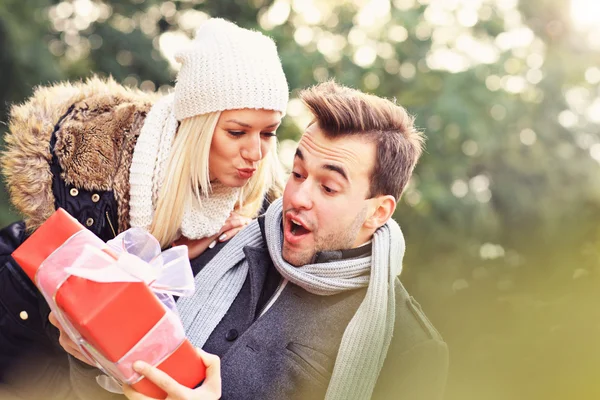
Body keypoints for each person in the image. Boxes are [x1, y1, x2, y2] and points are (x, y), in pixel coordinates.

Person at [60, 81, 449, 400]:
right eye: (298, 173)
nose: (298, 197)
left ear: (378, 211)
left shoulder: (411, 349)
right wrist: (88, 355)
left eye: (328, 187)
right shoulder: (217, 243)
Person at [0, 18, 289, 396]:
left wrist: (239, 246)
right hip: (25, 348)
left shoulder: (263, 212)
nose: (256, 152)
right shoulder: (95, 185)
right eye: (237, 132)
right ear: (196, 127)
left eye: (269, 133)